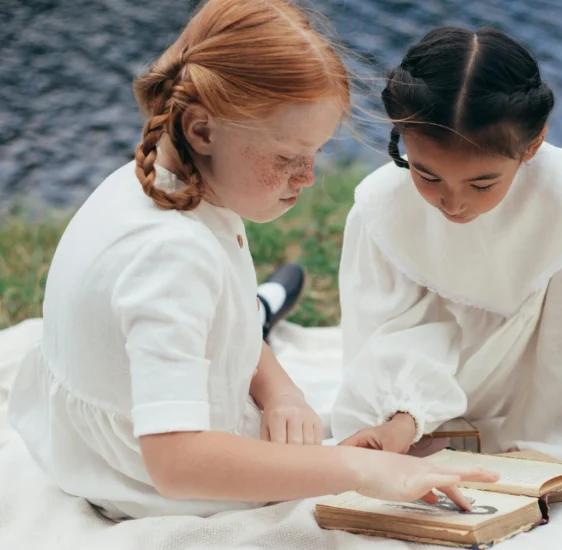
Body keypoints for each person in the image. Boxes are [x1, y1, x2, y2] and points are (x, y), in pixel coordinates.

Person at [8, 3, 496, 520]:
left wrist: (280, 390)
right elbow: (176, 463)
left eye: (316, 153)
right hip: (147, 484)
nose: (307, 177)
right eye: (288, 157)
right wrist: (363, 473)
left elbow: (214, 310)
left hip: (90, 448)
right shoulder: (171, 256)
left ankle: (263, 311)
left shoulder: (159, 180)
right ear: (202, 130)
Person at [332, 27, 562, 462]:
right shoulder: (381, 212)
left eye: (482, 182)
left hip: (542, 401)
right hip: (424, 408)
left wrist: (559, 443)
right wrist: (405, 416)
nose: (453, 203)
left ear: (533, 145)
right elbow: (393, 329)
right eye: (426, 175)